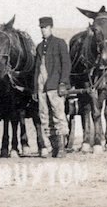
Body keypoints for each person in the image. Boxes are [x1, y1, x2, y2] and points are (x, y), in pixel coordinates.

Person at [33, 16, 71, 158]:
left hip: (54, 85)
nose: (43, 30)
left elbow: (66, 64)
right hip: (41, 86)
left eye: (45, 27)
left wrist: (63, 83)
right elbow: (37, 68)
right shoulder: (39, 47)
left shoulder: (59, 43)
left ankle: (61, 148)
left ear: (51, 27)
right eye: (41, 28)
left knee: (58, 114)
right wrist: (34, 88)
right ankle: (51, 147)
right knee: (44, 115)